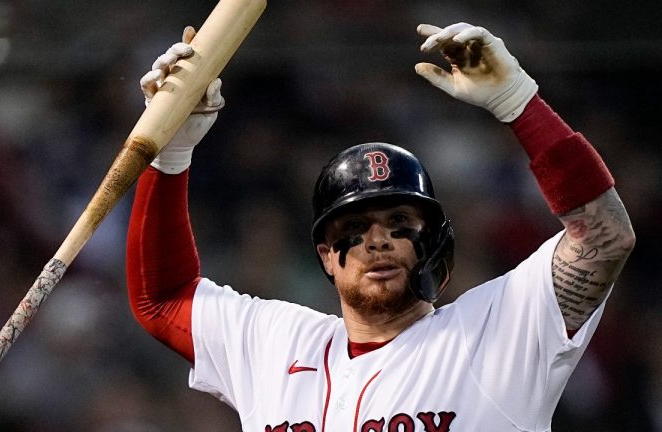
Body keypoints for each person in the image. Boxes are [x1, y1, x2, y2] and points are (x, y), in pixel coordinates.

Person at [125, 23, 635, 431]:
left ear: (431, 241)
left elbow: (605, 237)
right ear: (325, 254)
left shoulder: (496, 334)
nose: (378, 239)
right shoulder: (275, 345)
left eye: (399, 221)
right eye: (354, 225)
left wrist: (520, 105)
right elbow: (163, 298)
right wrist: (170, 156)